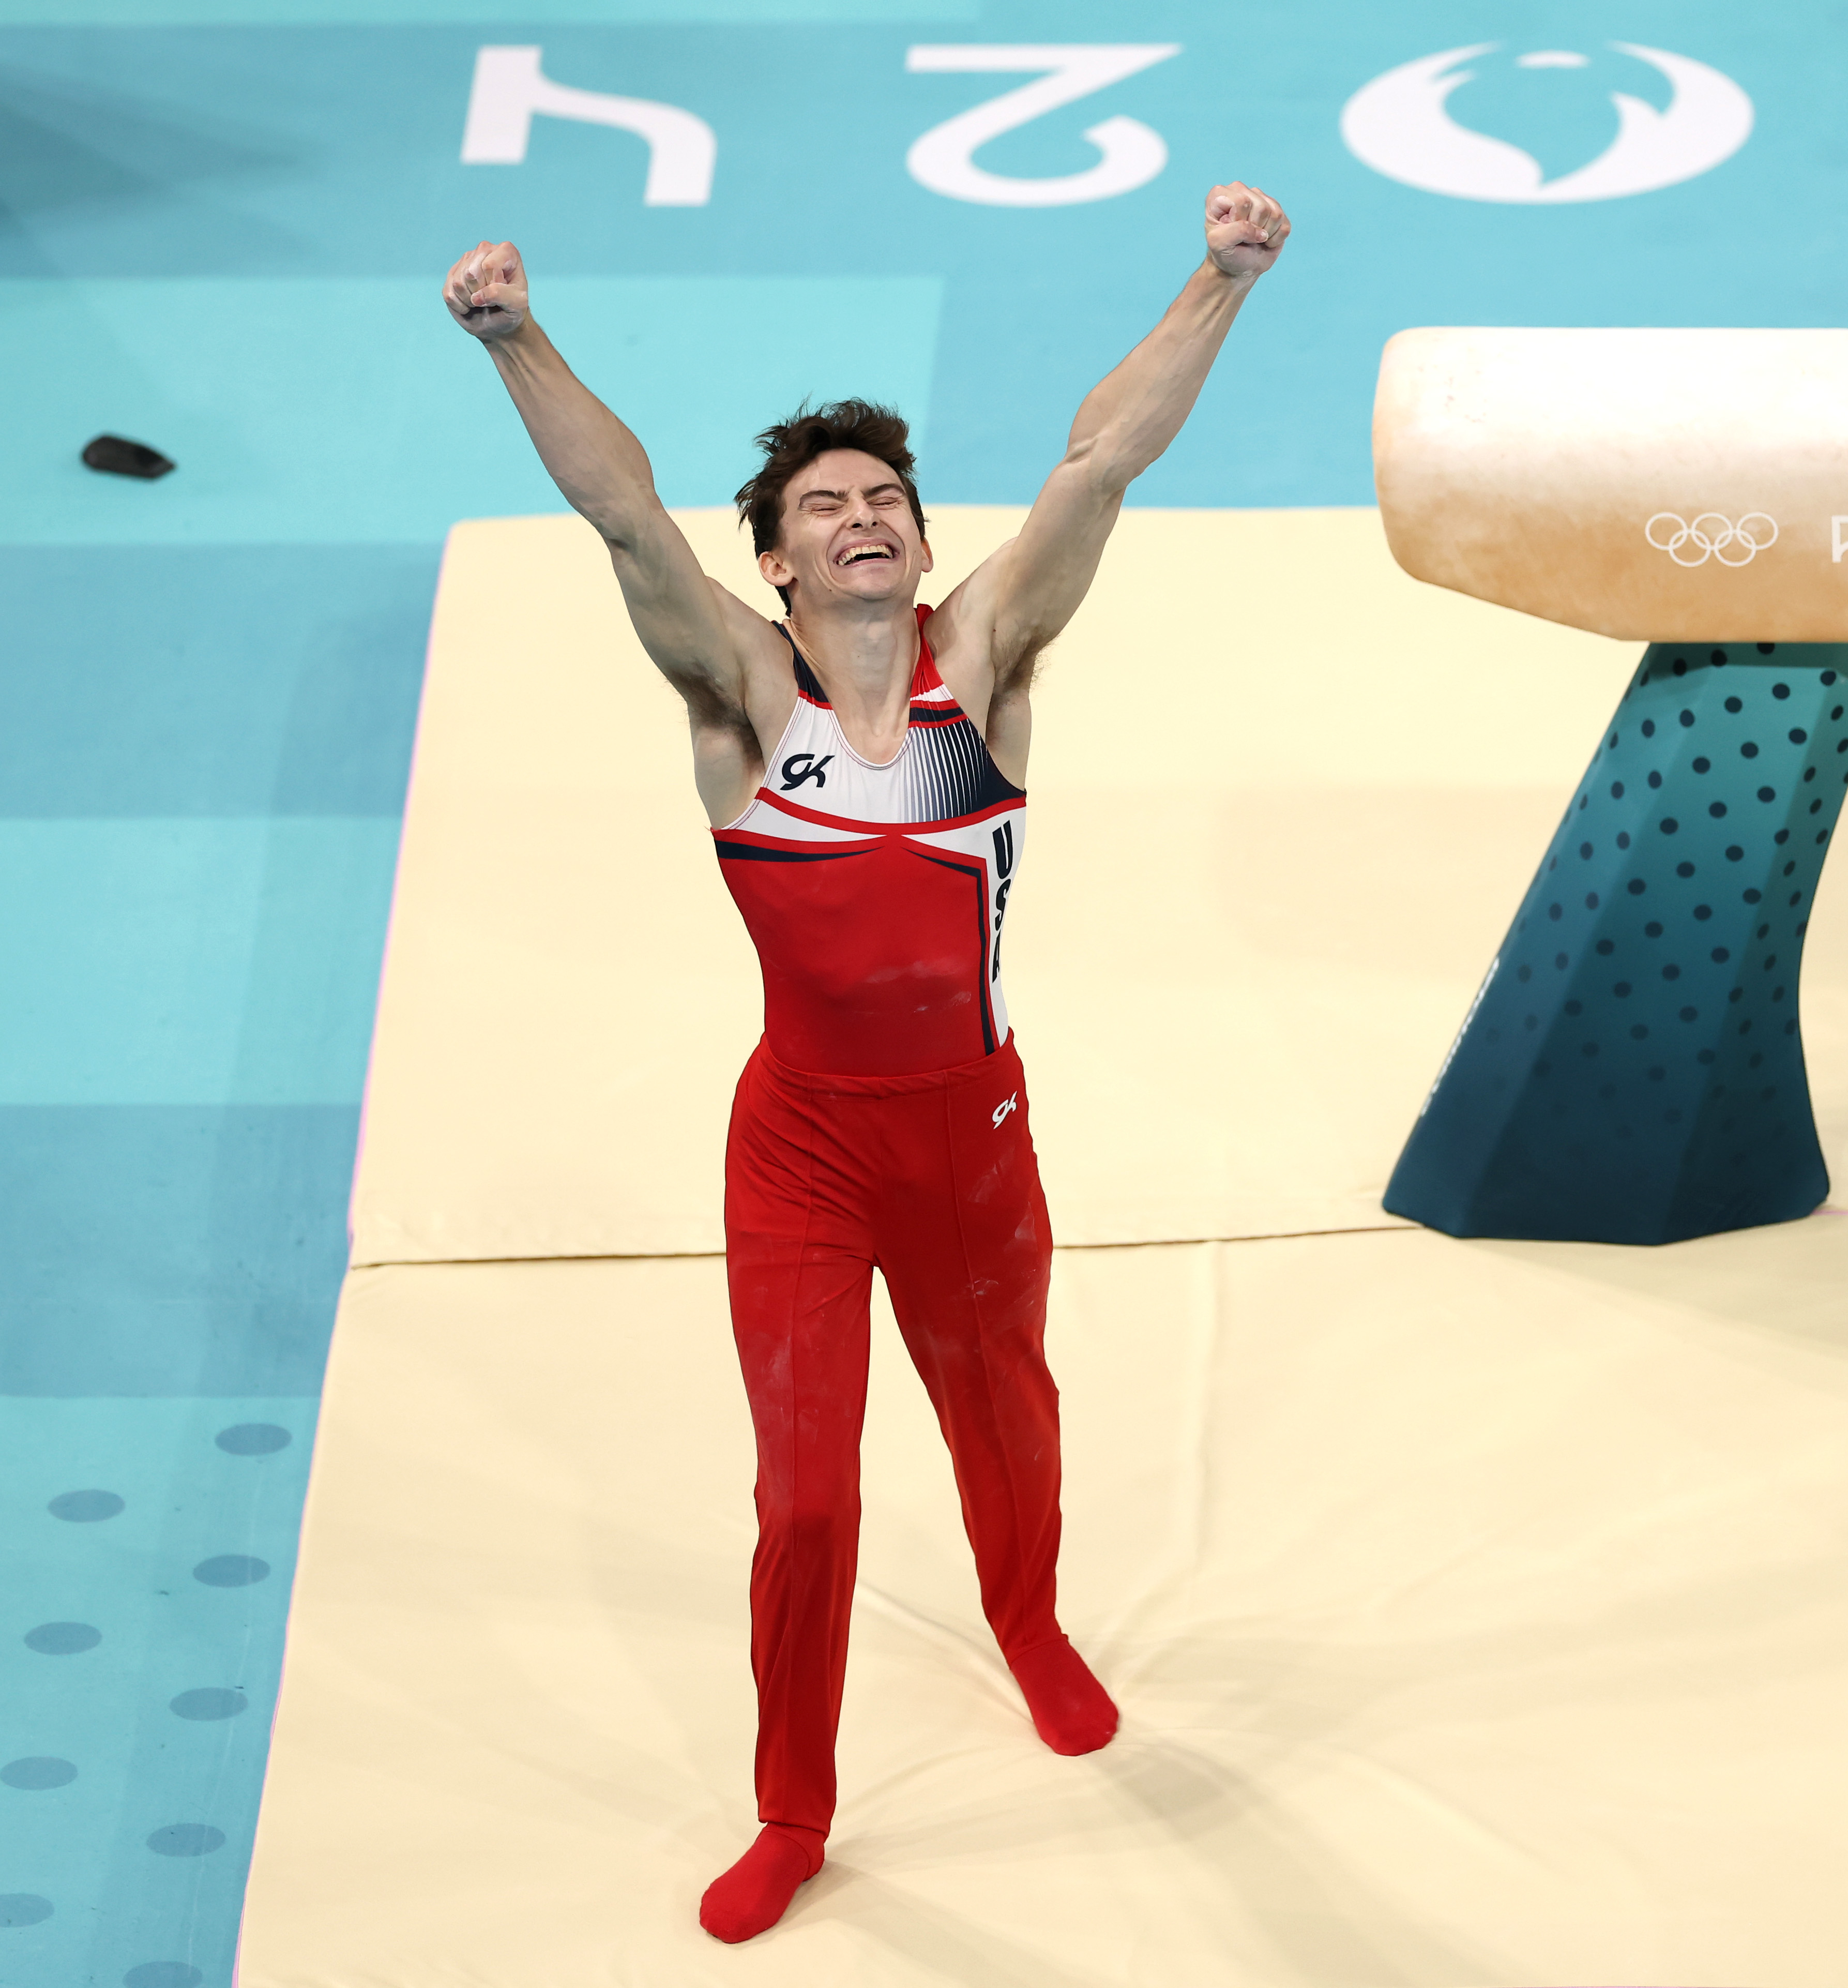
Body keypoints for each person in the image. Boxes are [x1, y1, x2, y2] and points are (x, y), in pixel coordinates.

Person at [441, 182, 1292, 1945]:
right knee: (809, 1489)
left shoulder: (990, 661)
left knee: (1011, 1422)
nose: (863, 521)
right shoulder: (746, 703)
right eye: (823, 508)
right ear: (776, 557)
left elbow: (1097, 465)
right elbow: (620, 517)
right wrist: (518, 337)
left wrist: (1218, 280)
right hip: (808, 1152)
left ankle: (1031, 1623)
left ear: (918, 535)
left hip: (976, 1137)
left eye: (886, 499)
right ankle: (792, 1806)